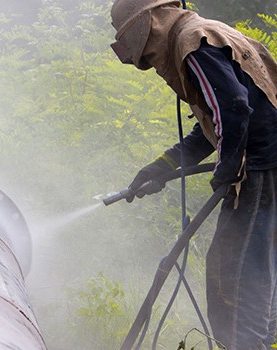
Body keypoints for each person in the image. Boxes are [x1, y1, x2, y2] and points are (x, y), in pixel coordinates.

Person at [109, 0, 277, 349]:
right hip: (265, 166)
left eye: (150, 58)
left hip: (261, 168)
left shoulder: (192, 44)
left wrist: (228, 168)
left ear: (148, 27)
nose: (154, 65)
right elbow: (213, 125)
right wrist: (162, 167)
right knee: (252, 273)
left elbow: (234, 108)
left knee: (235, 279)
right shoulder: (206, 35)